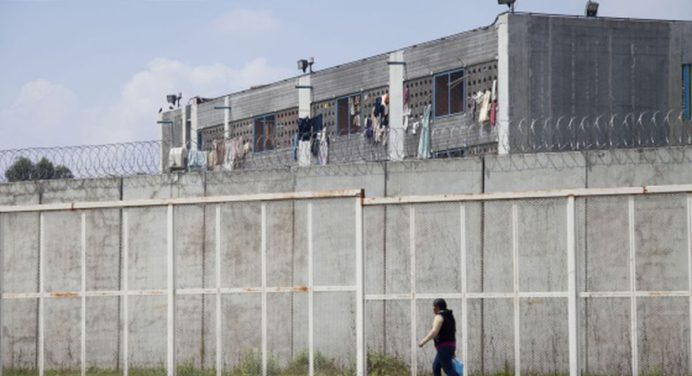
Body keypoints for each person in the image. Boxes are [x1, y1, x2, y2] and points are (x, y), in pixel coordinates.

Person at [418, 298, 459, 376]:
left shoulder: (439, 317)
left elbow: (434, 332)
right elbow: (452, 331)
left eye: (434, 307)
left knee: (448, 370)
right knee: (436, 367)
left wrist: (423, 341)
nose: (433, 309)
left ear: (438, 307)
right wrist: (452, 350)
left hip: (443, 347)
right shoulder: (450, 317)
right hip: (450, 346)